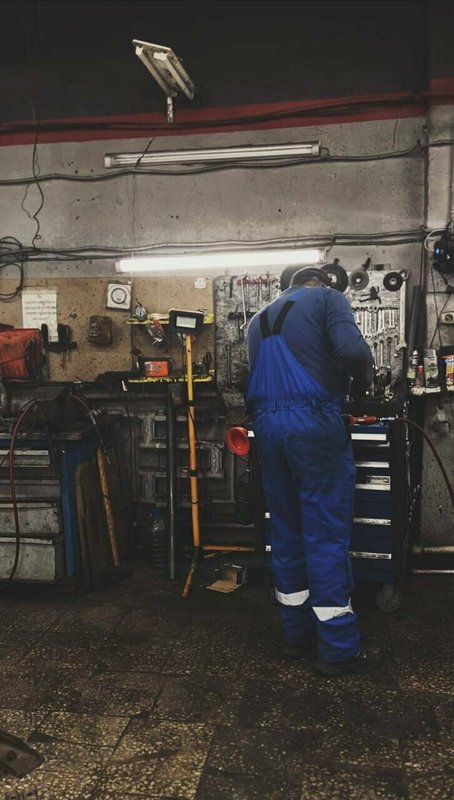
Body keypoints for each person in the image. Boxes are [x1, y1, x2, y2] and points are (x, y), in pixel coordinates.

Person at [245, 265, 374, 676]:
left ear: (289, 287)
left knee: (286, 530)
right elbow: (353, 352)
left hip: (266, 427)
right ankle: (337, 648)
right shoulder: (328, 300)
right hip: (313, 423)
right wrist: (361, 383)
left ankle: (295, 636)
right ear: (323, 282)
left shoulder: (256, 319)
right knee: (325, 532)